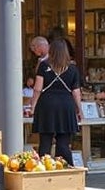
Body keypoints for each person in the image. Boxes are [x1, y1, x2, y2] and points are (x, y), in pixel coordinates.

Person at [29, 38, 83, 166]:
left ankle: (43, 168)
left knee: (45, 141)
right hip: (66, 105)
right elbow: (76, 92)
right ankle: (67, 167)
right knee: (63, 142)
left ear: (51, 51)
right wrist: (79, 109)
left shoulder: (44, 65)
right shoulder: (73, 68)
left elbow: (37, 88)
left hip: (47, 104)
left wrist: (33, 106)